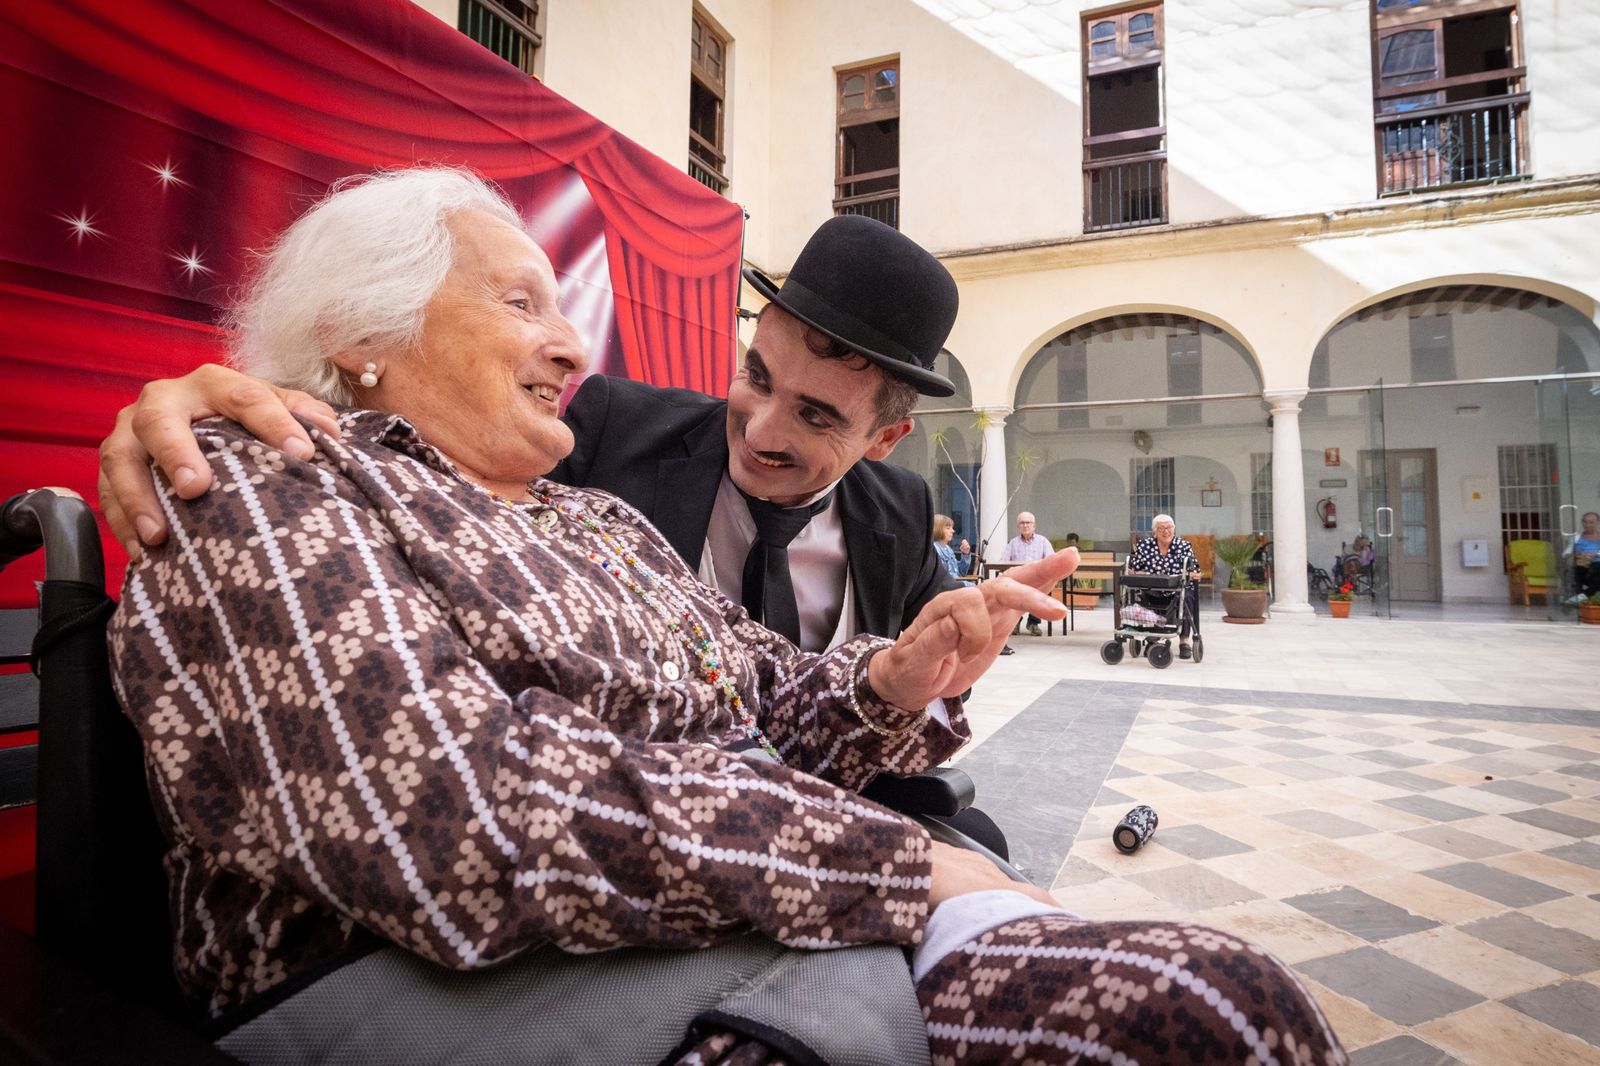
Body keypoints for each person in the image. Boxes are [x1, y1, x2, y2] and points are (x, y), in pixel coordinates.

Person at [105, 168, 1343, 1064]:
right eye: (522, 304)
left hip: (722, 925)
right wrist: (909, 870)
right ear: (363, 329)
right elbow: (452, 824)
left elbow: (763, 691)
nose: (568, 344)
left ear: (881, 438)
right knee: (1204, 1014)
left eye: (560, 306)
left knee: (1223, 1003)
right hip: (514, 978)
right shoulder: (270, 478)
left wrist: (890, 683)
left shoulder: (584, 518)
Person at [97, 210, 1006, 852]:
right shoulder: (600, 437)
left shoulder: (603, 518)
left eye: (816, 417)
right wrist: (278, 408)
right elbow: (415, 483)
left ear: (885, 439)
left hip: (800, 827)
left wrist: (900, 683)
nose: (762, 432)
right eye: (756, 378)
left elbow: (802, 693)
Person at [1129, 513, 1203, 658]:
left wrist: (1182, 577)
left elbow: (1195, 572)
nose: (1165, 531)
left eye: (1169, 527)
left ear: (1174, 529)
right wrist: (1141, 574)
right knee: (1144, 598)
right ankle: (1152, 639)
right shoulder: (1145, 546)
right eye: (1161, 528)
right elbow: (1133, 569)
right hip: (1153, 589)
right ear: (1154, 531)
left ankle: (1184, 642)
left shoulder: (1183, 546)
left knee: (1187, 597)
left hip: (1178, 589)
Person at [1000, 511, 1052, 636]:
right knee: (1012, 591)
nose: (1025, 525)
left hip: (1038, 579)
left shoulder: (1043, 541)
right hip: (1018, 579)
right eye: (1022, 523)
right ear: (1018, 526)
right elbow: (1003, 562)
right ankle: (1015, 621)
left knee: (1039, 590)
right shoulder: (1013, 543)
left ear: (1034, 525)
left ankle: (1033, 623)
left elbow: (1051, 560)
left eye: (1028, 523)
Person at [1566, 510, 1600, 603]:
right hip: (1582, 563)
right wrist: (1575, 554)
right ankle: (1582, 596)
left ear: (1597, 522)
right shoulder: (1576, 537)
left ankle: (1583, 596)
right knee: (1578, 568)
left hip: (1597, 565)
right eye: (1585, 522)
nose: (1587, 524)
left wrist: (1594, 554)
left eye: (1591, 522)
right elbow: (1566, 553)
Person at [931, 513, 971, 580]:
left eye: (952, 528)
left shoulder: (948, 549)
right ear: (937, 529)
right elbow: (942, 577)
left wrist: (965, 554)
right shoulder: (935, 549)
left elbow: (961, 572)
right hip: (948, 587)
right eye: (948, 528)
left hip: (955, 584)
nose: (953, 531)